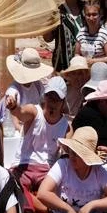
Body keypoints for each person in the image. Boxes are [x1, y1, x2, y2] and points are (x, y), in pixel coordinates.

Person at [16, 76, 71, 206]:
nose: (53, 102)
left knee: (61, 188)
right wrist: (13, 107)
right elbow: (21, 113)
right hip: (24, 165)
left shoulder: (66, 126)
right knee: (11, 183)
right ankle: (41, 206)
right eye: (50, 97)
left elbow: (68, 153)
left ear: (63, 102)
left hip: (46, 170)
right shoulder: (34, 111)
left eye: (57, 99)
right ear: (45, 97)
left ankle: (31, 203)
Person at [45, 0, 85, 71]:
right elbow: (48, 38)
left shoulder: (86, 11)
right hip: (62, 64)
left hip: (84, 62)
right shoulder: (57, 12)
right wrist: (48, 22)